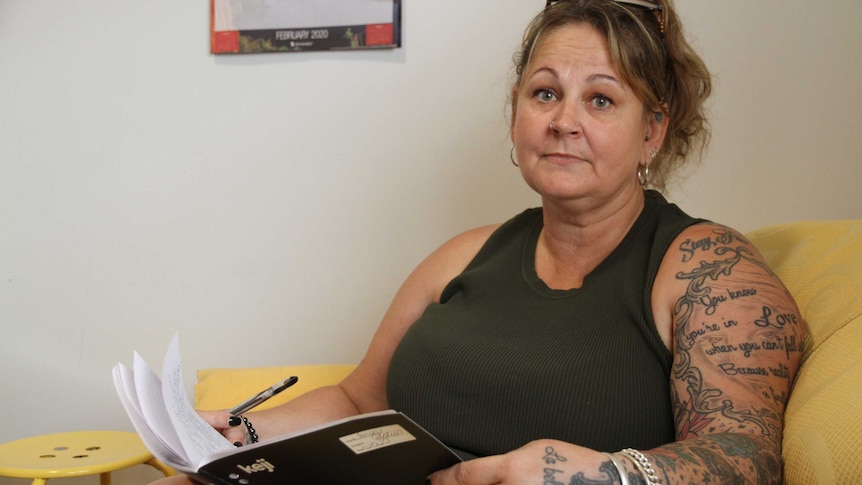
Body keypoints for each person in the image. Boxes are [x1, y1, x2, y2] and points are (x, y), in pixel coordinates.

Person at [153, 0, 804, 483]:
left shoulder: (708, 269)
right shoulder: (463, 255)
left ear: (653, 132)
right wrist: (241, 434)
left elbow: (744, 459)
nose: (563, 121)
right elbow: (358, 400)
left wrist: (604, 475)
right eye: (544, 93)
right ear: (517, 111)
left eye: (601, 101)